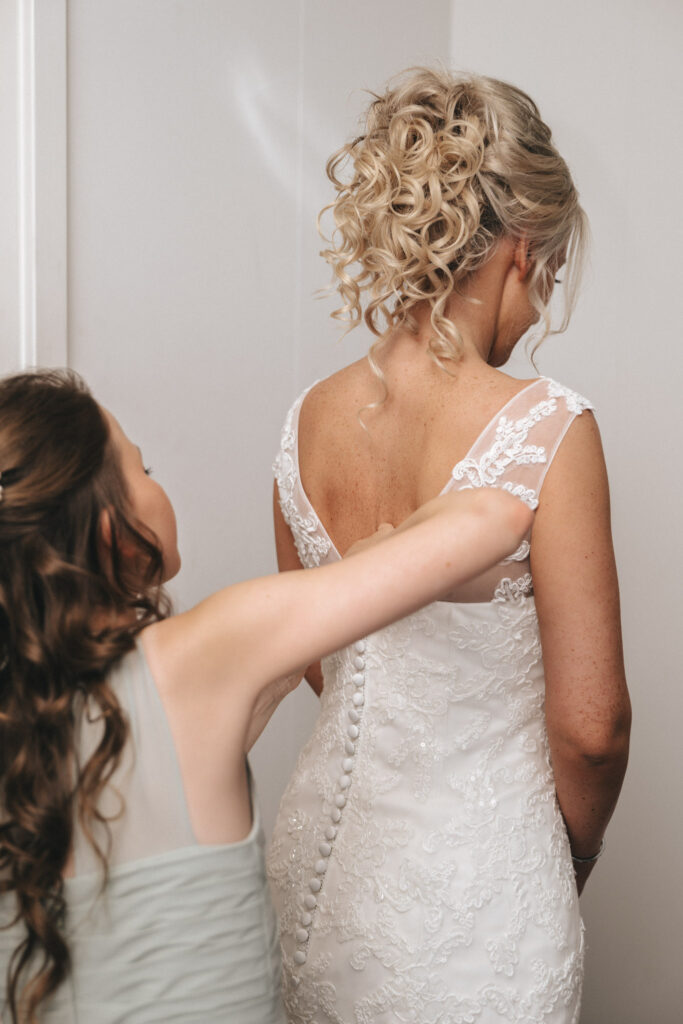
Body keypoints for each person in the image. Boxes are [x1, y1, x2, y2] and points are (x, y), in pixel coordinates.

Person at [268, 68, 631, 1022]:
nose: (539, 300)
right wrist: (569, 859)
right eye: (546, 267)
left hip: (317, 865)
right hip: (478, 882)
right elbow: (591, 729)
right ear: (518, 246)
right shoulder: (547, 424)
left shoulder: (305, 419)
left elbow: (317, 656)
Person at [0, 369, 530, 1023]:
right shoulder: (200, 655)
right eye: (143, 468)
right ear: (113, 526)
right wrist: (379, 551)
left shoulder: (31, 712)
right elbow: (494, 516)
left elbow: (261, 690)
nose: (157, 482)